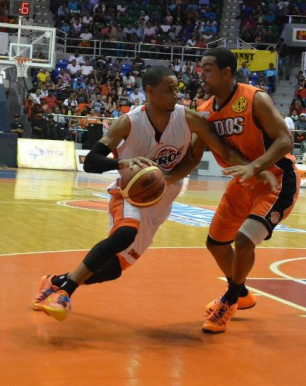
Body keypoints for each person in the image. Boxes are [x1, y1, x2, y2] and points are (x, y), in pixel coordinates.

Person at [31, 67, 276, 321]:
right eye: (169, 89)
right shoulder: (129, 122)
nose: (176, 95)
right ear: (150, 91)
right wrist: (120, 164)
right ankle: (66, 293)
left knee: (114, 269)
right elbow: (91, 161)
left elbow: (222, 150)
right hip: (129, 193)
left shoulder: (189, 119)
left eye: (176, 89)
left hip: (161, 201)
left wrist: (255, 169)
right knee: (126, 232)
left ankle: (56, 281)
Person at [197, 47, 300, 333]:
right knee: (215, 243)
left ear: (226, 72)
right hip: (244, 180)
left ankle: (228, 301)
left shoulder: (255, 98)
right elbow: (223, 151)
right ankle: (240, 293)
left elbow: (285, 141)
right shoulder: (205, 112)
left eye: (207, 69)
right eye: (201, 69)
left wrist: (257, 168)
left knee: (244, 241)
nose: (201, 74)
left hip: (277, 179)